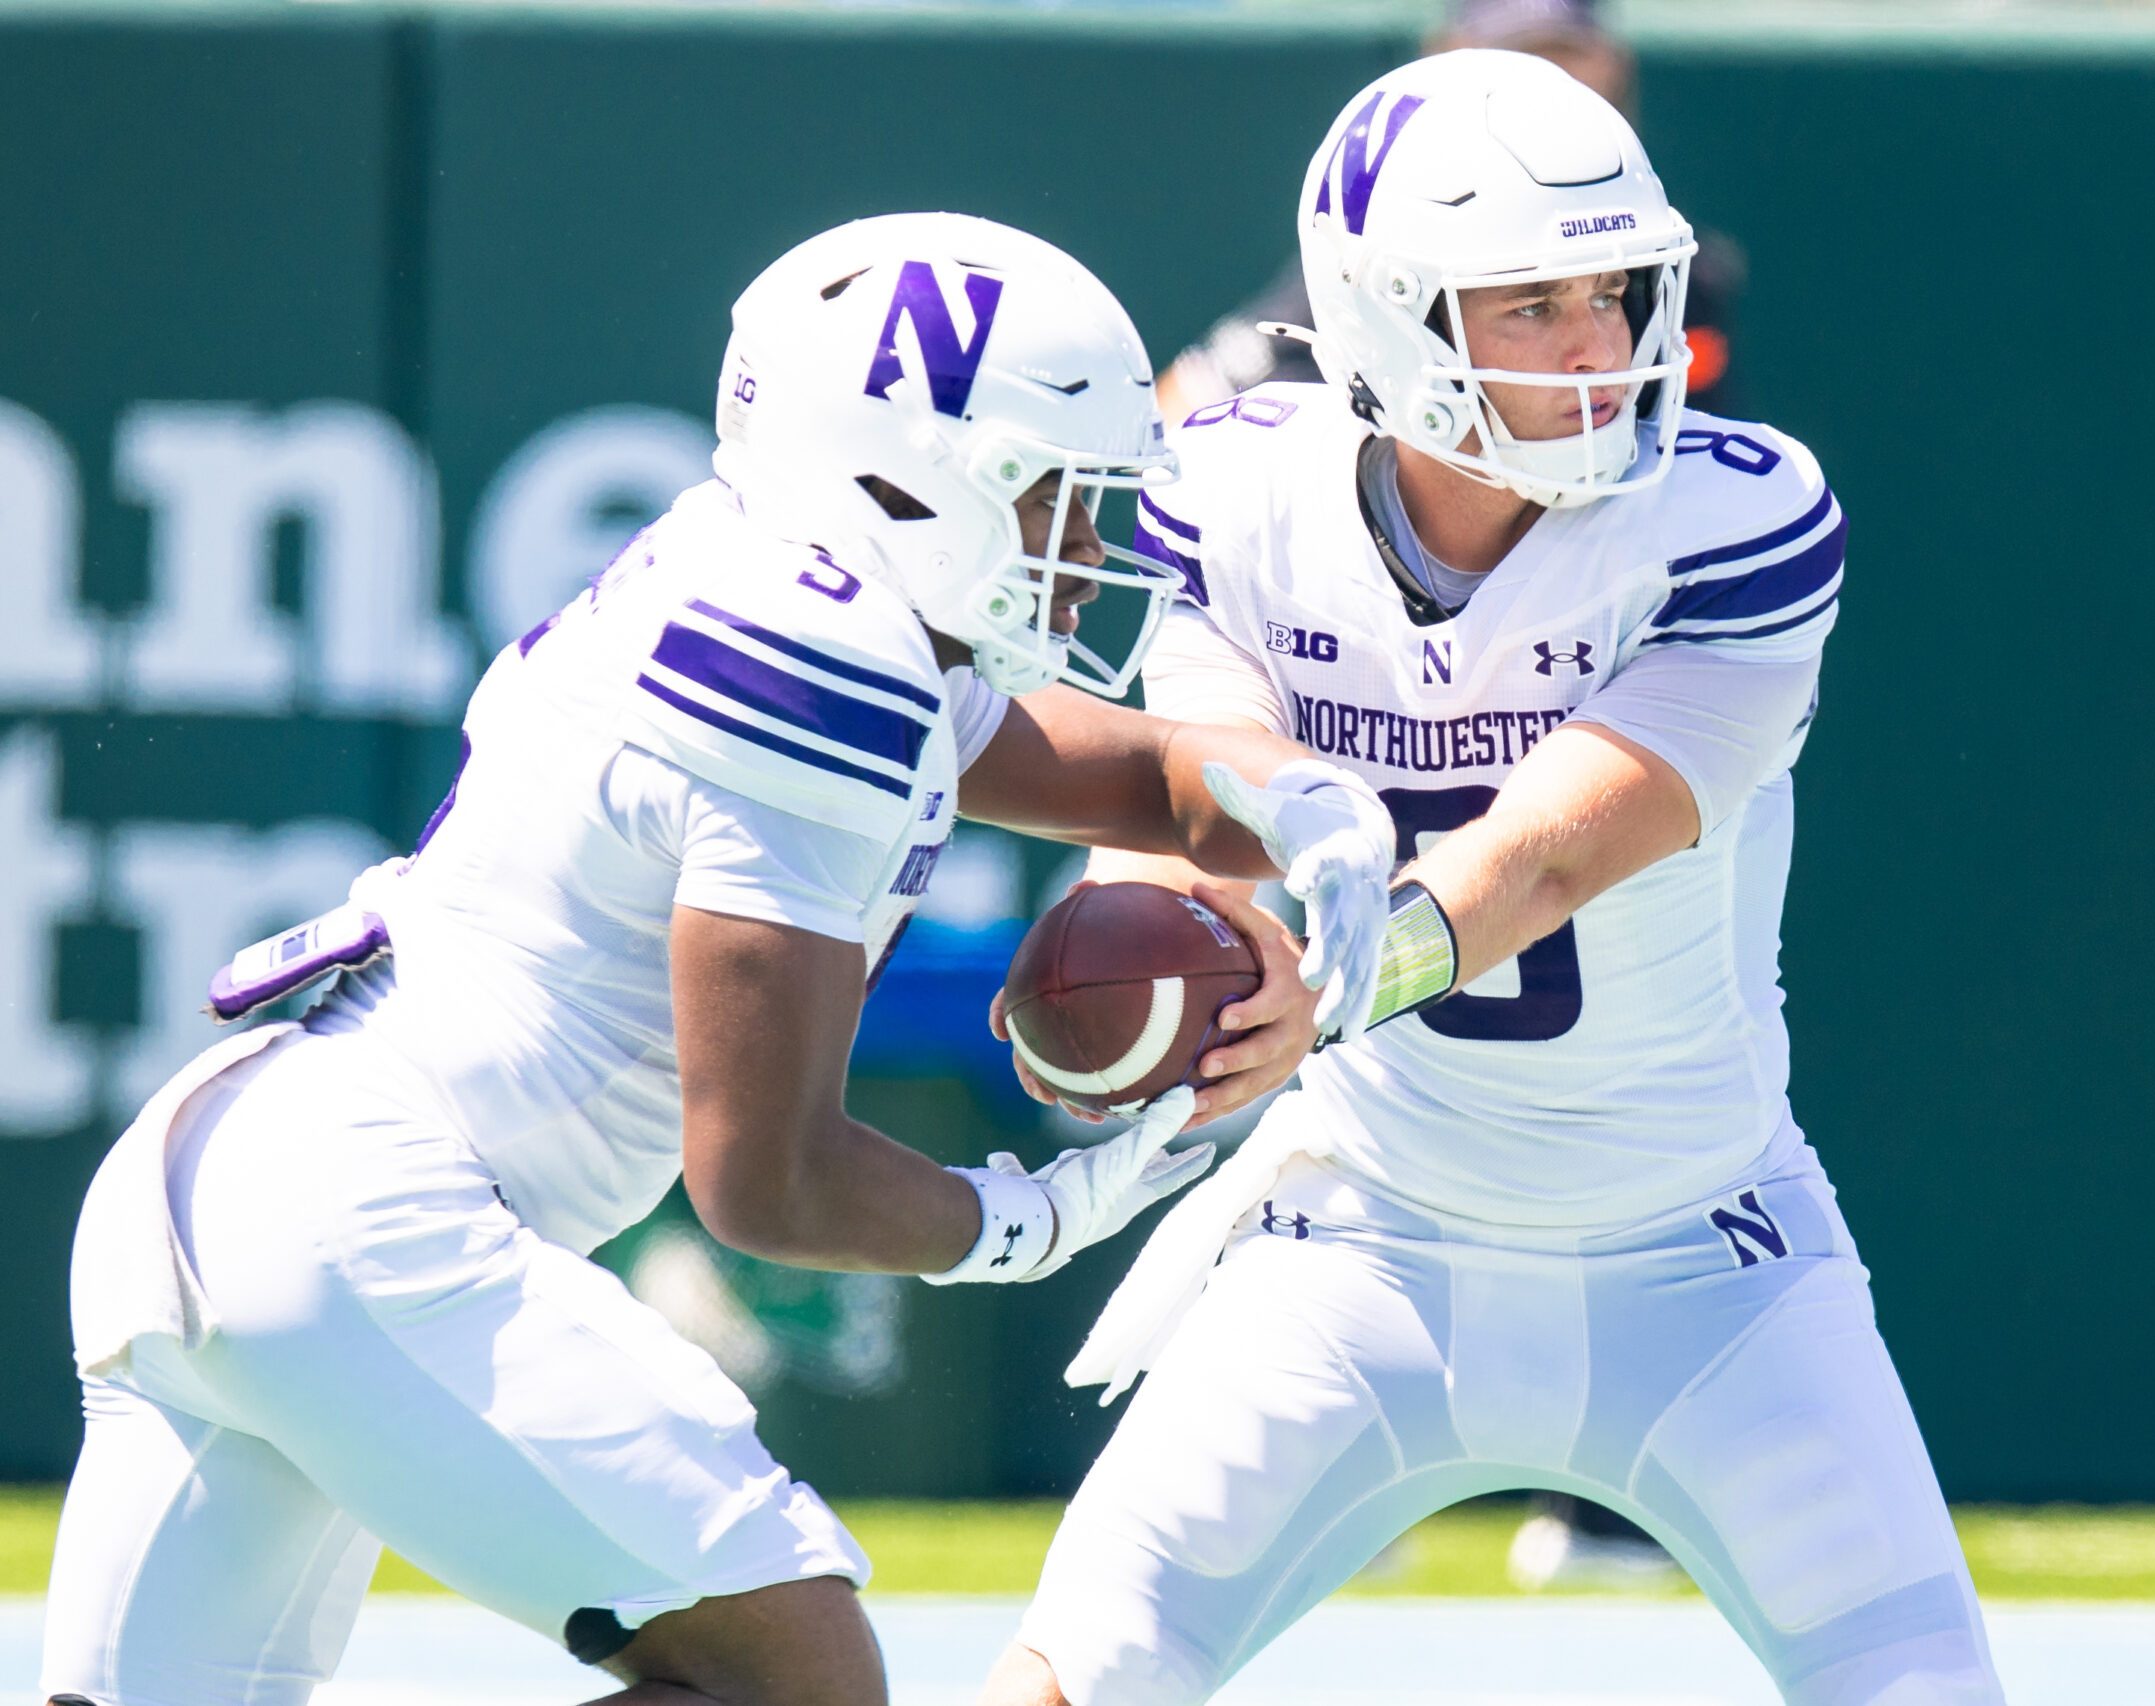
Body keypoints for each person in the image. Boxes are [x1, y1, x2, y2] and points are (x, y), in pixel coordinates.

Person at [39, 213, 1396, 1706]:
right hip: (366, 1206)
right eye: (1048, 498)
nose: (1088, 551)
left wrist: (1289, 793)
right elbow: (768, 1180)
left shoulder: (787, 584)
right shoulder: (826, 661)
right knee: (795, 1677)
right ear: (904, 480)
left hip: (227, 1162)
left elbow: (1110, 770)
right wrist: (1028, 1220)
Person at [979, 54, 2004, 1706]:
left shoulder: (1734, 517)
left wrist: (1322, 991)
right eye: (1534, 303)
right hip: (1356, 1243)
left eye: (1614, 292)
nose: (1600, 344)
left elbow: (1550, 852)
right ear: (1386, 319)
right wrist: (1159, 957)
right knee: (1073, 1675)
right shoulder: (1240, 486)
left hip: (1711, 1259)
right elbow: (1206, 794)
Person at [1154, 0, 1748, 427]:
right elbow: (1182, 403)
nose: (1544, 83)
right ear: (1446, 58)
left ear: (1614, 65)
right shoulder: (1391, 255)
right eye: (1532, 303)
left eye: (1609, 295)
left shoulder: (1680, 263)